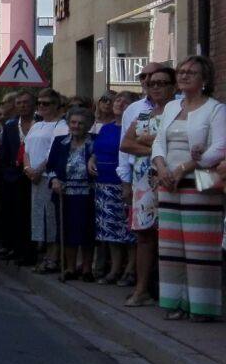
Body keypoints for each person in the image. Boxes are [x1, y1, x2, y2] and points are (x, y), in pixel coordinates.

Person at [150, 56, 226, 321]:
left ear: (204, 79)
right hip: (169, 183)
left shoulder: (215, 109)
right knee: (171, 247)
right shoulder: (171, 107)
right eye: (181, 72)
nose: (183, 76)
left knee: (199, 248)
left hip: (199, 184)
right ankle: (176, 303)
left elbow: (220, 146)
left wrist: (185, 167)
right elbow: (159, 142)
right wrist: (161, 168)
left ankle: (202, 308)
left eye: (190, 72)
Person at [121, 66, 174, 306]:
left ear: (172, 86)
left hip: (169, 177)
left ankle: (170, 290)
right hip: (143, 182)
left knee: (171, 235)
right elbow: (126, 144)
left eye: (162, 83)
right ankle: (141, 289)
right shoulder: (144, 115)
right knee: (144, 234)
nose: (156, 88)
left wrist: (149, 144)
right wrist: (155, 149)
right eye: (152, 83)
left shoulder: (179, 112)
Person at [46, 106, 98, 282]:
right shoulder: (60, 142)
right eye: (73, 122)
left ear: (89, 125)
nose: (76, 126)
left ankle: (86, 269)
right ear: (68, 123)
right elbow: (51, 166)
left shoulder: (95, 141)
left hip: (88, 194)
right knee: (67, 231)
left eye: (81, 123)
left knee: (87, 231)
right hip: (65, 193)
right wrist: (54, 180)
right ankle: (69, 268)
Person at [25, 90, 69, 274]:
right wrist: (28, 169)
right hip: (33, 177)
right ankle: (45, 255)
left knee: (50, 218)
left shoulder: (61, 125)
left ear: (56, 106)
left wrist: (39, 170)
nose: (42, 106)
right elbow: (26, 148)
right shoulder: (36, 125)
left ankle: (53, 257)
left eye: (47, 103)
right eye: (39, 103)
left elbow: (54, 152)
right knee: (38, 218)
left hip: (47, 176)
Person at [93, 92, 135, 285]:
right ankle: (115, 268)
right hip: (104, 183)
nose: (119, 103)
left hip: (124, 184)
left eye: (126, 101)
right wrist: (91, 160)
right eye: (117, 99)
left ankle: (130, 269)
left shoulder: (132, 129)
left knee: (129, 230)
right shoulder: (106, 128)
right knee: (110, 230)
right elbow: (97, 150)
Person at [0, 91, 34, 265]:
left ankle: (30, 252)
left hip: (34, 175)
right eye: (19, 103)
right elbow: (5, 153)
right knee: (14, 215)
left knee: (30, 216)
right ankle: (16, 249)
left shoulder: (40, 123)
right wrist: (7, 172)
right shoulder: (10, 126)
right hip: (13, 177)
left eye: (26, 102)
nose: (22, 105)